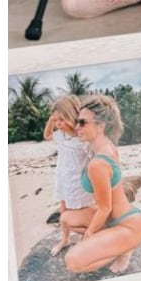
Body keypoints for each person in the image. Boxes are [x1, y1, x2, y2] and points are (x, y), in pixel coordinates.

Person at [61, 94, 141, 275]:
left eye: (82, 123)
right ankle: (113, 241)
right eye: (77, 122)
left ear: (100, 126)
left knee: (72, 263)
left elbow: (104, 208)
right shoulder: (105, 146)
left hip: (129, 225)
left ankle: (125, 249)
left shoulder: (98, 163)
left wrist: (88, 235)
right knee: (66, 218)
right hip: (115, 219)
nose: (77, 127)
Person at [43, 95, 95, 256]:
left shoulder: (83, 139)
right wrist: (51, 120)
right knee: (64, 210)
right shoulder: (60, 135)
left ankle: (87, 238)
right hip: (63, 180)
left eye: (61, 120)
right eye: (56, 120)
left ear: (73, 117)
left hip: (79, 183)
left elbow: (95, 160)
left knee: (81, 212)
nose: (58, 124)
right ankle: (65, 239)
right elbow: (46, 135)